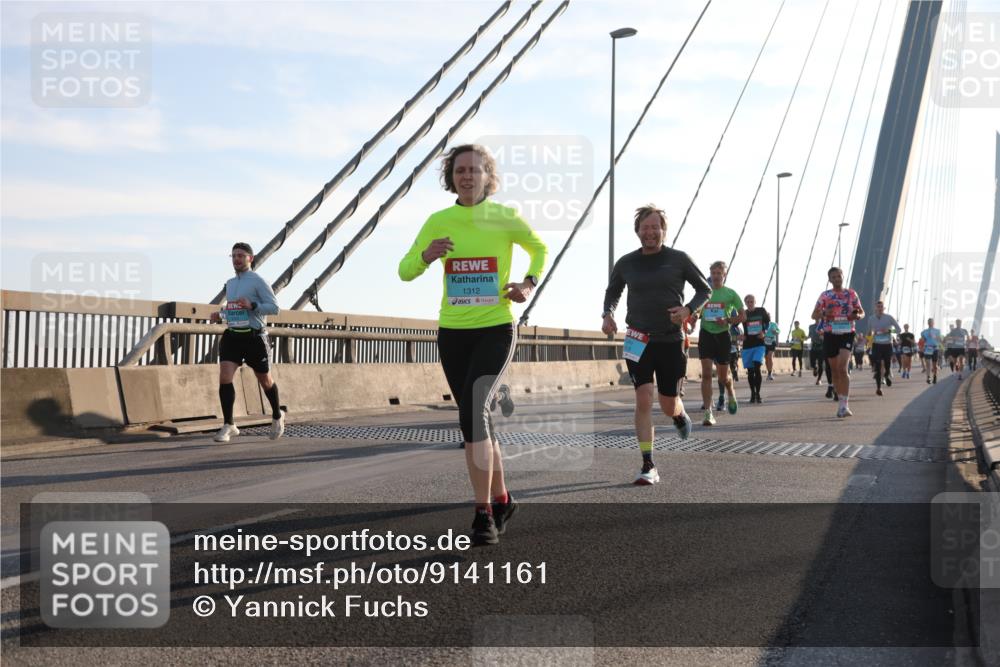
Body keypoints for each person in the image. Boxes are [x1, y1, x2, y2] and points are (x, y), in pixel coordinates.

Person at [398, 144, 547, 545]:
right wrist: (426, 256)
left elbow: (539, 248)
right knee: (480, 419)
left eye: (474, 170)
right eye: (460, 170)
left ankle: (483, 513)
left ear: (487, 176)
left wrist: (527, 283)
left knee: (473, 412)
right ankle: (502, 498)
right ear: (452, 177)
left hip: (496, 327)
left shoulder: (504, 217)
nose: (466, 176)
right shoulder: (438, 221)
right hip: (452, 332)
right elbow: (404, 271)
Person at [602, 204, 711, 485]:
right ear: (638, 230)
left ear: (663, 230)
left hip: (670, 340)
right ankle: (648, 464)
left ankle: (679, 414)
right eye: (645, 228)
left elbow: (704, 290)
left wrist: (689, 310)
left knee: (667, 404)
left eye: (655, 227)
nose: (650, 232)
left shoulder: (678, 259)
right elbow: (613, 291)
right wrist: (608, 314)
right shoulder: (626, 262)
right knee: (642, 398)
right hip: (637, 338)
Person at [210, 242, 285, 443]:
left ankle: (277, 415)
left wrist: (253, 305)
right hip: (233, 335)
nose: (236, 259)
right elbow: (234, 309)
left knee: (265, 381)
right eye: (233, 255)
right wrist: (221, 314)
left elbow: (274, 308)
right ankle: (229, 424)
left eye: (241, 255)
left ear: (250, 259)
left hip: (255, 337)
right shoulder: (230, 283)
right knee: (225, 377)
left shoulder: (258, 281)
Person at [694, 261, 745, 425]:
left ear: (724, 275)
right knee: (707, 374)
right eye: (713, 273)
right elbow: (695, 312)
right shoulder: (704, 293)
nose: (715, 276)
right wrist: (693, 319)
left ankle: (730, 392)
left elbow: (743, 316)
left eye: (719, 273)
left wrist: (728, 320)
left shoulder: (730, 294)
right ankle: (708, 412)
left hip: (723, 335)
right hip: (706, 334)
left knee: (723, 377)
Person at [812, 267, 864, 418]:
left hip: (847, 333)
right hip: (830, 334)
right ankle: (839, 398)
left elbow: (861, 311)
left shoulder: (851, 294)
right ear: (830, 280)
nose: (836, 279)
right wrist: (823, 313)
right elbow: (813, 314)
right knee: (834, 370)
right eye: (833, 277)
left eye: (838, 276)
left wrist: (858, 316)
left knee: (842, 368)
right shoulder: (825, 295)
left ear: (843, 276)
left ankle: (845, 405)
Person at [741, 295, 771, 404]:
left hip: (759, 343)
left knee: (757, 366)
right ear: (745, 303)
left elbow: (768, 323)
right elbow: (734, 325)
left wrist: (764, 332)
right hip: (748, 345)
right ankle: (752, 394)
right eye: (748, 302)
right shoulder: (743, 313)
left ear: (755, 302)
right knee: (750, 371)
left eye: (752, 301)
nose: (750, 303)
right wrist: (740, 334)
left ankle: (758, 394)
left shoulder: (761, 311)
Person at [868, 300, 900, 396]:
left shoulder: (889, 318)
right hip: (876, 345)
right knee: (877, 366)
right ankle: (879, 388)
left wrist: (889, 330)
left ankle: (886, 376)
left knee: (887, 364)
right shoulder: (871, 319)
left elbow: (898, 329)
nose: (880, 308)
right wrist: (868, 343)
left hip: (887, 345)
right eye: (878, 307)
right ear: (875, 308)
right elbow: (869, 333)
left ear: (883, 308)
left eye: (881, 306)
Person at [920, 318, 943, 384]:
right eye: (929, 322)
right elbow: (923, 340)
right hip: (928, 348)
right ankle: (928, 377)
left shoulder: (937, 331)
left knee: (934, 365)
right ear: (928, 323)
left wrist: (935, 337)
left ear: (933, 323)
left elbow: (940, 340)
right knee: (927, 363)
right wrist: (922, 340)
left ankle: (935, 376)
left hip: (935, 348)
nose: (930, 323)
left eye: (931, 322)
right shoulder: (924, 332)